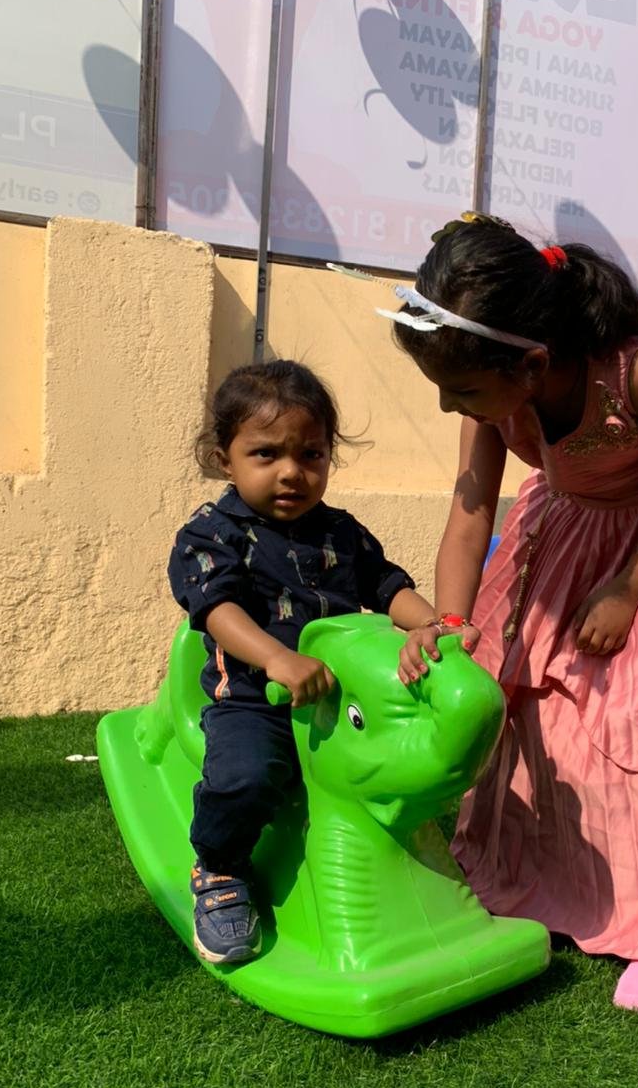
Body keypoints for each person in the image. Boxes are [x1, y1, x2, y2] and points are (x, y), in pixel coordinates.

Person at [389, 216, 638, 1013]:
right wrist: (450, 617)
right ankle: (554, 883)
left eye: (462, 392)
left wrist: (627, 590)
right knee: (540, 717)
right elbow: (472, 508)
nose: (448, 407)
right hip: (567, 529)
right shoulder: (492, 389)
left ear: (533, 363)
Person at [169, 360, 439, 965]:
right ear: (223, 458)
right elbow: (217, 610)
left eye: (311, 455)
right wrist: (278, 660)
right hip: (250, 698)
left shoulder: (341, 531)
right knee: (248, 776)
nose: (292, 472)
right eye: (266, 454)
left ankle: (423, 860)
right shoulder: (212, 534)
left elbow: (385, 582)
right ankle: (219, 868)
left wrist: (431, 622)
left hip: (341, 698)